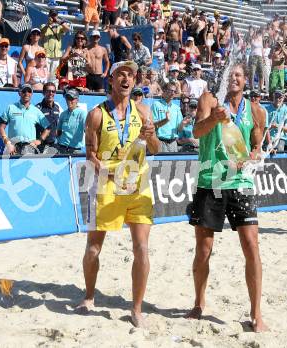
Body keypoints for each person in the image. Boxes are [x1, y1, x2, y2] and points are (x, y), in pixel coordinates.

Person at [75, 60, 160, 328]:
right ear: (111, 80)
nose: (126, 78)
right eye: (121, 74)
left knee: (142, 248)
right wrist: (105, 170)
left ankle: (136, 309)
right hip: (106, 185)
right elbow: (90, 156)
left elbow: (155, 149)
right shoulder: (96, 115)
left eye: (131, 75)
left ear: (135, 81)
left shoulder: (144, 112)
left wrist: (151, 136)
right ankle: (89, 296)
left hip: (137, 185)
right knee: (93, 248)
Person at [187, 62, 268, 333]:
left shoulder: (255, 111)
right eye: (229, 74)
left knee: (251, 245)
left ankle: (256, 314)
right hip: (211, 181)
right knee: (204, 249)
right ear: (222, 78)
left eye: (238, 75)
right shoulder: (209, 100)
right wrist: (213, 118)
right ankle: (199, 303)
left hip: (241, 182)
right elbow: (196, 132)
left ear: (245, 81)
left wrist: (252, 157)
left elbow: (257, 146)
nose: (233, 78)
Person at [0, 83, 51, 155]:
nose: (26, 93)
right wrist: (7, 143)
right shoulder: (10, 108)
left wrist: (39, 141)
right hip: (13, 148)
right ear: (19, 93)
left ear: (32, 94)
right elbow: (1, 127)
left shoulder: (36, 111)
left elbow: (48, 128)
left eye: (29, 91)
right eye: (24, 91)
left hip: (29, 148)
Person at [41, 9, 71, 87]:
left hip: (56, 56)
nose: (53, 17)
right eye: (52, 15)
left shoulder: (59, 27)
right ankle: (44, 89)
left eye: (55, 15)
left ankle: (54, 90)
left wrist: (59, 21)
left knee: (54, 76)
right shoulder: (44, 25)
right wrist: (48, 24)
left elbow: (68, 29)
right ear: (49, 16)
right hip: (46, 55)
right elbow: (42, 33)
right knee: (45, 75)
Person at [152, 81, 183, 152]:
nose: (173, 93)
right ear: (164, 91)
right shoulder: (156, 105)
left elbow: (179, 129)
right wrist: (165, 120)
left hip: (173, 143)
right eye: (170, 91)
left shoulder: (176, 108)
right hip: (161, 142)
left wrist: (183, 123)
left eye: (174, 91)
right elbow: (153, 125)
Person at [56, 88, 87, 154]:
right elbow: (58, 132)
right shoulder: (63, 114)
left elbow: (87, 131)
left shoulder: (82, 114)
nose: (69, 101)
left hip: (75, 150)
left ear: (77, 100)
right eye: (67, 98)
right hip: (62, 148)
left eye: (71, 98)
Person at [35, 82, 61, 154]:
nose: (51, 93)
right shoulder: (38, 108)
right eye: (48, 91)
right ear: (43, 93)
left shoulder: (57, 107)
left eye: (53, 91)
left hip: (54, 145)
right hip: (41, 146)